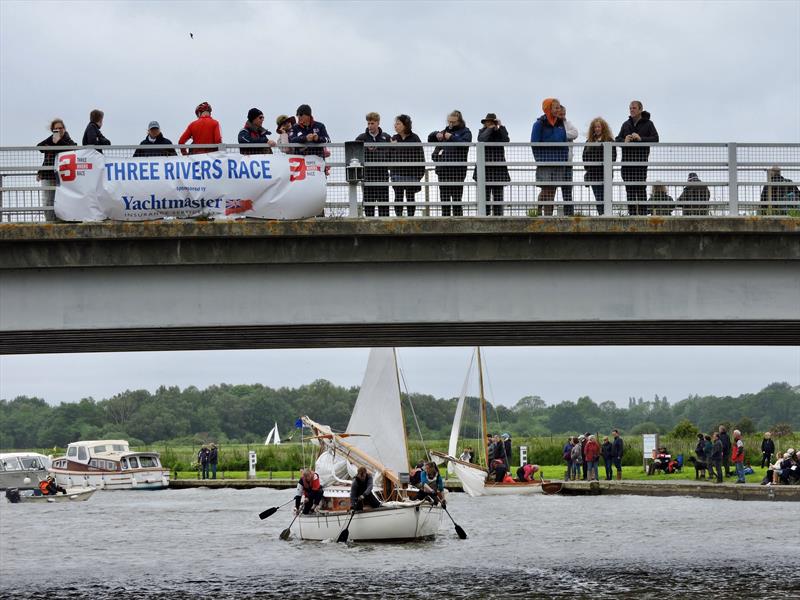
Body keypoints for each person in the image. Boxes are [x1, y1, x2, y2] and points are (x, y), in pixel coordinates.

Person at [615, 100, 659, 215]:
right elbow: (617, 139)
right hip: (626, 163)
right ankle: (632, 215)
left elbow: (656, 139)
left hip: (640, 164)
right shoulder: (626, 124)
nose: (631, 110)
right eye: (630, 108)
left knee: (640, 189)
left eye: (634, 108)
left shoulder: (649, 124)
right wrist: (624, 141)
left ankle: (643, 215)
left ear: (640, 109)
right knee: (629, 190)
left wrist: (641, 139)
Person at [429, 110, 472, 216]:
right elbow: (431, 143)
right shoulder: (444, 132)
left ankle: (459, 226)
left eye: (453, 122)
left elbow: (465, 144)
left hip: (458, 171)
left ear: (459, 121)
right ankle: (445, 226)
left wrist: (451, 137)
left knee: (457, 200)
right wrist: (436, 134)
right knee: (444, 201)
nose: (451, 124)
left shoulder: (465, 131)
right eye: (449, 122)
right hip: (443, 171)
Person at [531, 98, 567, 216]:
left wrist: (564, 159)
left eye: (559, 108)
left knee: (553, 190)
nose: (558, 110)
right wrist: (540, 160)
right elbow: (534, 144)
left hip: (559, 162)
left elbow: (565, 142)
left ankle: (547, 214)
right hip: (545, 162)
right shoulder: (539, 124)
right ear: (548, 109)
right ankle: (545, 214)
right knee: (546, 189)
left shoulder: (561, 123)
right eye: (555, 108)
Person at [36, 118, 77, 222]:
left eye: (60, 128)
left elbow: (72, 148)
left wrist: (59, 142)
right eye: (56, 129)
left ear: (64, 128)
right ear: (52, 130)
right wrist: (41, 171)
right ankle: (50, 221)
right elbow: (39, 147)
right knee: (48, 200)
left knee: (62, 199)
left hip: (63, 176)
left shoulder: (67, 139)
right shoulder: (51, 138)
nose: (59, 130)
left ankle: (61, 220)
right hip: (48, 174)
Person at [355, 112, 392, 217]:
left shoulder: (386, 137)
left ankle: (385, 231)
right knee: (369, 207)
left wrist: (379, 151)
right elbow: (355, 156)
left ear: (378, 123)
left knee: (384, 207)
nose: (370, 126)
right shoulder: (361, 138)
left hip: (383, 175)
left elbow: (391, 154)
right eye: (368, 123)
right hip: (368, 176)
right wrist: (367, 150)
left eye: (372, 123)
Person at [473, 113, 510, 216]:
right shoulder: (482, 132)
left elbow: (506, 140)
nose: (489, 123)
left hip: (498, 169)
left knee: (498, 198)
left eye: (491, 122)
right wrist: (489, 129)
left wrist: (500, 126)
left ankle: (499, 218)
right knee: (484, 197)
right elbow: (481, 139)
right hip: (484, 169)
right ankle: (485, 217)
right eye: (487, 122)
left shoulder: (500, 132)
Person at [390, 114, 425, 217]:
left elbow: (421, 157)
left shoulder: (415, 138)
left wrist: (419, 175)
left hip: (412, 174)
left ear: (405, 125)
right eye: (395, 124)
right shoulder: (394, 138)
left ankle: (411, 218)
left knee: (410, 197)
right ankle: (399, 218)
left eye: (398, 124)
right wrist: (392, 147)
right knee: (398, 197)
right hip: (397, 173)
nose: (395, 126)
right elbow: (388, 156)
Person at [582, 117, 616, 215]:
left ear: (603, 128)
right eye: (595, 127)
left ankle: (608, 216)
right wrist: (589, 167)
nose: (597, 129)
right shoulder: (589, 142)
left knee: (606, 197)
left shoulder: (609, 140)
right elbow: (584, 157)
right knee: (598, 198)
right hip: (593, 174)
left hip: (606, 174)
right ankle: (601, 215)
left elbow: (613, 157)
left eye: (599, 127)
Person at [558, 105, 578, 216]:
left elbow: (575, 133)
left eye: (564, 114)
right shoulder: (552, 124)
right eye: (561, 114)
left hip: (568, 162)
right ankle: (545, 213)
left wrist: (560, 135)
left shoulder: (568, 124)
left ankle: (569, 214)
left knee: (567, 190)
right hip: (555, 162)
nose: (563, 116)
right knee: (551, 189)